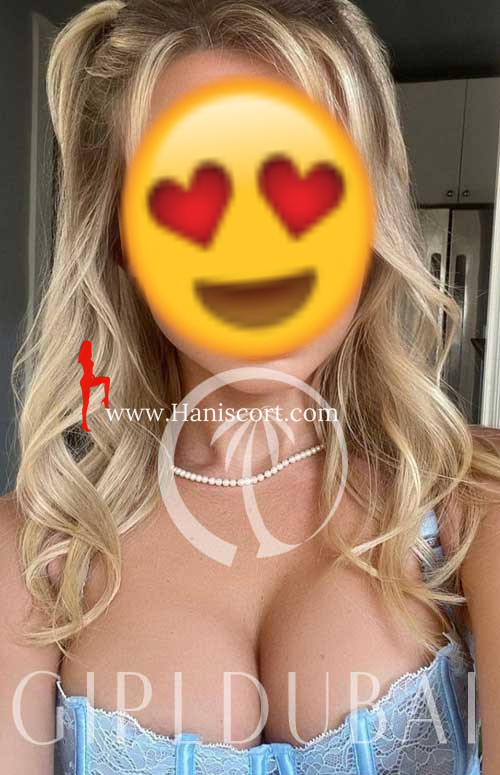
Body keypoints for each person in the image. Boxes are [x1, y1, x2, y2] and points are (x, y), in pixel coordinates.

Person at [2, 1, 500, 773]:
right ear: (120, 235)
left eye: (307, 185)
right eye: (195, 194)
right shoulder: (32, 553)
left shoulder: (477, 504)